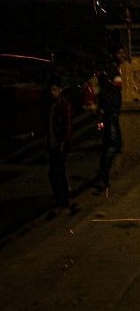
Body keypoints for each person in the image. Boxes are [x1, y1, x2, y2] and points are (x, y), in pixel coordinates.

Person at [95, 43, 125, 194]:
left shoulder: (110, 69)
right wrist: (110, 109)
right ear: (113, 54)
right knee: (115, 144)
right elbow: (109, 92)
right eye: (120, 53)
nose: (123, 56)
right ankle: (102, 176)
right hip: (110, 113)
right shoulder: (111, 70)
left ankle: (103, 178)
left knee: (109, 145)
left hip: (109, 112)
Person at [46, 75, 76, 215]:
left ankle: (62, 201)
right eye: (50, 89)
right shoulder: (52, 105)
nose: (52, 92)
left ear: (60, 90)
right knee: (55, 173)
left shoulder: (64, 105)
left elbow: (68, 126)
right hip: (53, 144)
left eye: (54, 89)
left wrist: (64, 142)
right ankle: (61, 200)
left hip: (60, 144)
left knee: (57, 173)